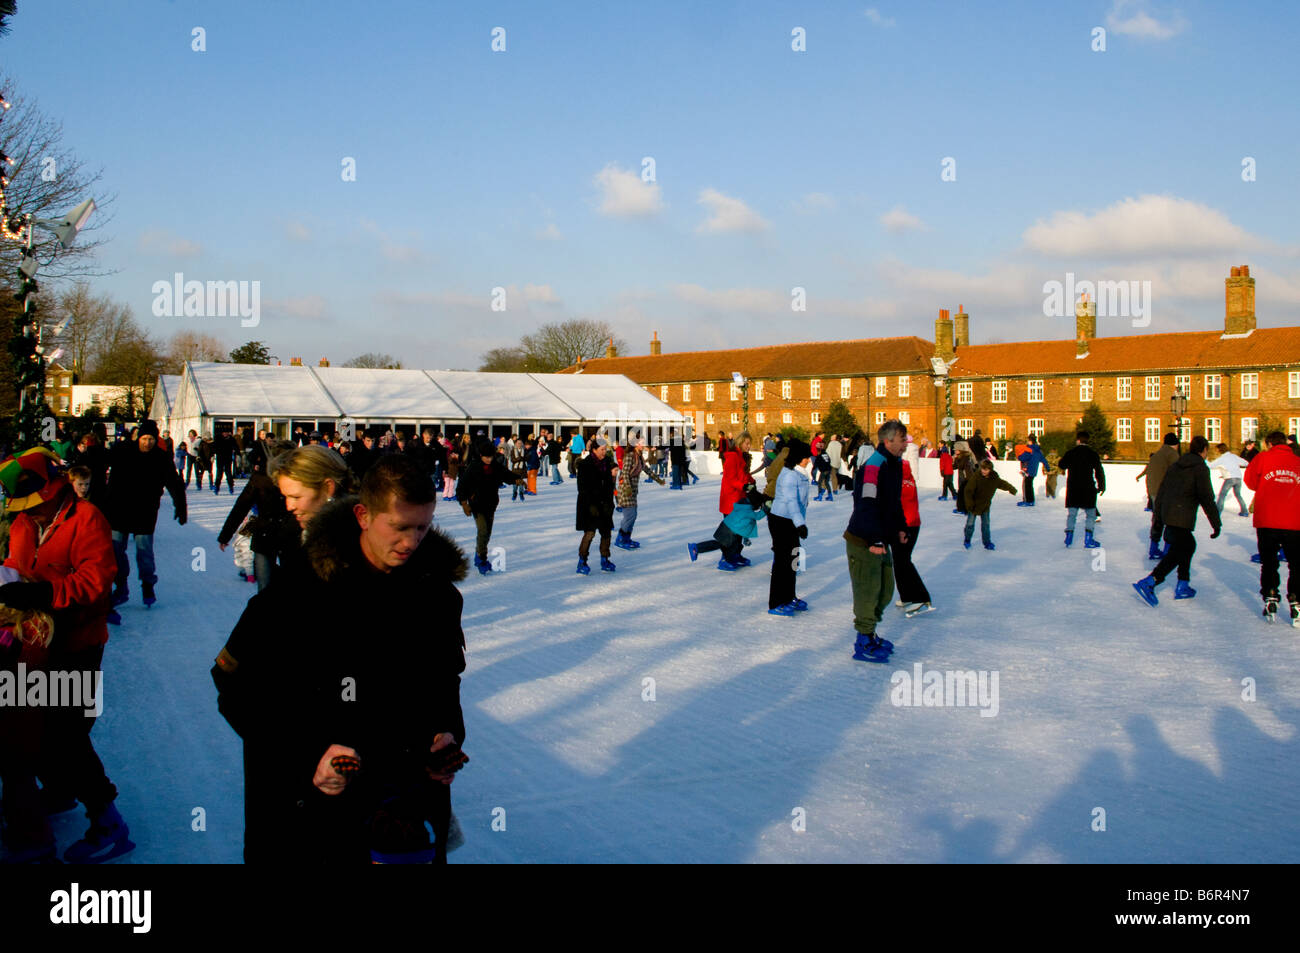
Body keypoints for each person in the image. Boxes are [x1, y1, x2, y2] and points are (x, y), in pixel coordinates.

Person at [213, 454, 468, 863]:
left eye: (421, 527)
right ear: (364, 515)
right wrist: (308, 753)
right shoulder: (300, 590)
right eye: (399, 528)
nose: (411, 542)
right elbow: (235, 686)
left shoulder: (436, 595)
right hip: (311, 812)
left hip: (401, 812)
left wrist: (445, 734)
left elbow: (444, 682)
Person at [0, 447, 127, 863]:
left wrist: (43, 592)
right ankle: (56, 794)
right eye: (25, 507)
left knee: (67, 733)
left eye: (38, 504)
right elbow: (18, 566)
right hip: (36, 645)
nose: (32, 513)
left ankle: (107, 820)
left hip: (78, 644)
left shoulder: (87, 518)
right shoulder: (22, 523)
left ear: (57, 490)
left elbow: (96, 582)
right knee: (33, 727)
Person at [104, 420, 187, 608]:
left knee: (144, 551)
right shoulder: (123, 451)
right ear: (138, 437)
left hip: (145, 510)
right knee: (116, 550)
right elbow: (103, 461)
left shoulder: (160, 457)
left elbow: (174, 483)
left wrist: (180, 506)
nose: (147, 443)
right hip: (119, 509)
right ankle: (121, 584)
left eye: (151, 439)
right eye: (144, 438)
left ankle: (148, 584)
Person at [844, 420, 908, 662]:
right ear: (887, 441)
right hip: (864, 539)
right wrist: (874, 539)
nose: (905, 444)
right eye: (902, 440)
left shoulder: (895, 464)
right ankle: (863, 640)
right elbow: (866, 503)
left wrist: (900, 527)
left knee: (885, 591)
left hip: (881, 538)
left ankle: (870, 632)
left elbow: (894, 501)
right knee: (868, 592)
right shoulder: (873, 466)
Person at [1133, 436, 1221, 606]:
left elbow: (1162, 491)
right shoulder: (1200, 468)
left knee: (1184, 547)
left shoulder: (1176, 466)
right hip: (1182, 515)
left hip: (1169, 513)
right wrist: (1216, 524)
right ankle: (1151, 581)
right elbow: (1207, 498)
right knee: (1185, 547)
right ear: (1204, 450)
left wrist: (1158, 518)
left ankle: (1183, 584)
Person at [218, 440, 297, 592]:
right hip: (274, 535)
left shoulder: (263, 478)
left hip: (277, 535)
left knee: (271, 586)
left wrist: (225, 536)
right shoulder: (261, 478)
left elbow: (241, 506)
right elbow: (242, 506)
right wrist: (225, 535)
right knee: (278, 585)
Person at [1244, 431, 1300, 625]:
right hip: (1294, 521)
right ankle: (1296, 597)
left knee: (1269, 561)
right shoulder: (1297, 460)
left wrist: (1266, 485)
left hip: (1267, 520)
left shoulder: (1262, 458)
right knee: (1296, 563)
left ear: (1268, 444)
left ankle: (1270, 593)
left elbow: (1250, 482)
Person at [686, 432, 764, 570]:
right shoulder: (733, 457)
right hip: (731, 501)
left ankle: (735, 555)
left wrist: (751, 482)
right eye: (747, 443)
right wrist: (744, 485)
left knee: (740, 531)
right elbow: (730, 478)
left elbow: (744, 475)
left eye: (750, 443)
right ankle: (720, 556)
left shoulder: (742, 457)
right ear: (740, 443)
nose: (749, 446)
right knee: (730, 535)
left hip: (740, 500)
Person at [457, 440, 522, 576]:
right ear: (481, 456)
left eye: (491, 456)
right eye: (486, 457)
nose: (489, 459)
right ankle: (482, 559)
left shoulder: (495, 466)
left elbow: (506, 474)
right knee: (483, 530)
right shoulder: (473, 467)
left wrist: (517, 479)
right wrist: (464, 503)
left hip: (491, 504)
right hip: (477, 504)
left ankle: (478, 554)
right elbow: (462, 485)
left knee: (487, 534)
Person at [767, 439, 811, 615]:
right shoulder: (789, 475)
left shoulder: (798, 473)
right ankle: (777, 602)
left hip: (792, 520)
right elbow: (791, 501)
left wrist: (799, 522)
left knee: (793, 560)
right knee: (782, 563)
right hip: (781, 520)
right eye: (806, 457)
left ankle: (789, 596)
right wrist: (800, 524)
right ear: (799, 458)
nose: (808, 460)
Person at [893, 455, 934, 615]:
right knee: (899, 561)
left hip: (905, 526)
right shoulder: (909, 480)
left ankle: (920, 597)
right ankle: (906, 596)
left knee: (903, 561)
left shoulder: (899, 484)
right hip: (912, 524)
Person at [575, 438, 618, 574]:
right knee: (590, 533)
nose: (604, 452)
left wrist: (612, 477)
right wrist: (591, 504)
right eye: (602, 450)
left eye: (605, 450)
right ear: (594, 450)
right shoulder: (584, 464)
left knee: (606, 533)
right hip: (590, 505)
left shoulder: (607, 464)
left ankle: (605, 559)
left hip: (604, 504)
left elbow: (610, 486)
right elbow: (582, 488)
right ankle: (582, 561)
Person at [615, 436, 664, 550]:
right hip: (626, 489)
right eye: (642, 443)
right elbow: (625, 473)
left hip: (632, 490)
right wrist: (627, 488)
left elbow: (646, 470)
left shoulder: (639, 456)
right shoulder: (630, 456)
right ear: (636, 444)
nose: (644, 445)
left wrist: (658, 479)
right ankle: (620, 539)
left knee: (633, 515)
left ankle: (626, 538)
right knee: (630, 515)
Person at [1058, 431, 1106, 548]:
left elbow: (1062, 465)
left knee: (1072, 514)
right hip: (1088, 488)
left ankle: (1069, 537)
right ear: (1087, 440)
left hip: (1073, 488)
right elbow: (1099, 471)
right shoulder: (1092, 454)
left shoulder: (1071, 453)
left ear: (1078, 440)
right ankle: (1088, 539)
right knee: (1090, 515)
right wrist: (1101, 486)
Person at [1135, 433, 1180, 557]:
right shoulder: (1172, 454)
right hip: (1166, 493)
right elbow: (1177, 474)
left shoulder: (1157, 454)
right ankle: (1167, 551)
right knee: (1170, 521)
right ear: (1175, 444)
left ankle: (1153, 549)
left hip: (1154, 492)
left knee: (1158, 520)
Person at [962, 459, 1017, 550]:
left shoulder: (994, 478)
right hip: (974, 505)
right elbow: (968, 491)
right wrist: (969, 504)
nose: (984, 471)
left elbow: (1002, 483)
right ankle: (967, 540)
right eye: (982, 469)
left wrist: (1012, 489)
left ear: (990, 470)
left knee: (986, 525)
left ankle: (987, 542)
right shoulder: (976, 477)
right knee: (970, 524)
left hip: (985, 505)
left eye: (986, 469)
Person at [1209, 443, 1251, 517]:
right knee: (1238, 494)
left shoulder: (1222, 459)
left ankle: (1217, 512)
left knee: (1222, 495)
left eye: (1217, 450)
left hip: (1230, 478)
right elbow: (1246, 463)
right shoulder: (1233, 456)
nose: (1216, 451)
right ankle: (1244, 511)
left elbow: (1210, 465)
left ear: (1219, 450)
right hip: (1238, 478)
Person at [1016, 436, 1050, 507]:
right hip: (1034, 471)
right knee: (1029, 485)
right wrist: (1047, 467)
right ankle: (1031, 501)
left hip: (1028, 470)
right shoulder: (1038, 451)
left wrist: (1018, 455)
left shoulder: (1029, 450)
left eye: (1028, 441)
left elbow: (1022, 458)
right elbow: (1044, 460)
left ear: (1030, 441)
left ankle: (1027, 501)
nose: (1027, 442)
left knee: (1026, 485)